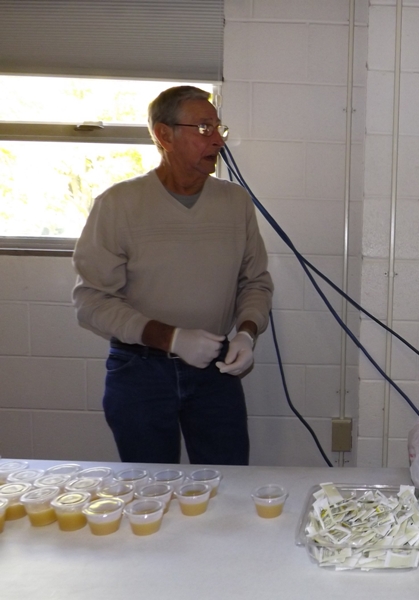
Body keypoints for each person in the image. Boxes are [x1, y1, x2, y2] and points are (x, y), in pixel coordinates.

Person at [73, 86, 273, 466]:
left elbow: (255, 282)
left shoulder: (235, 203)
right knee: (150, 488)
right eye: (203, 128)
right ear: (164, 135)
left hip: (215, 369)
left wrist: (247, 333)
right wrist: (172, 338)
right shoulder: (118, 204)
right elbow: (91, 301)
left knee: (226, 483)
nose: (217, 140)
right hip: (140, 371)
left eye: (218, 128)